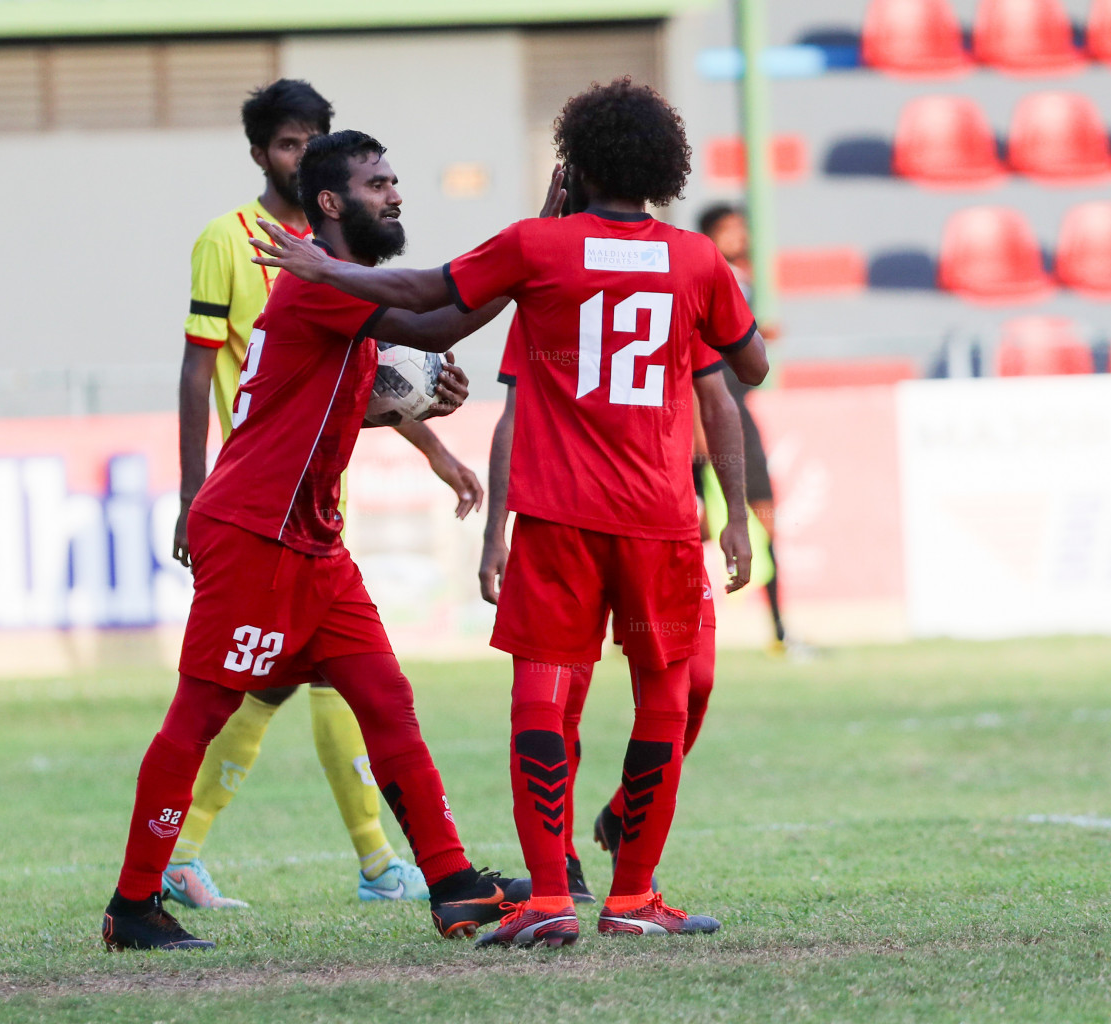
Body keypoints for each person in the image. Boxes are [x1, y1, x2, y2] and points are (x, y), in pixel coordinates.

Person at [248, 78, 769, 948]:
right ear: (664, 168)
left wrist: (323, 265)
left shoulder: (538, 248)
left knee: (541, 693)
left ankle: (551, 899)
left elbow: (424, 295)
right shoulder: (697, 261)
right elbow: (746, 368)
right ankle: (635, 898)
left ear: (576, 161)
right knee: (664, 704)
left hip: (561, 515)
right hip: (659, 513)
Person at [101, 129, 520, 951]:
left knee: (385, 701)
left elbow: (335, 400)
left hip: (312, 537)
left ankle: (452, 885)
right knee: (202, 713)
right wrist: (529, 258)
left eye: (397, 180)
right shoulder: (318, 279)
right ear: (331, 203)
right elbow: (438, 322)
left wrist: (416, 415)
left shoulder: (337, 288)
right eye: (378, 183)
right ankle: (133, 905)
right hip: (257, 532)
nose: (396, 195)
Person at [170, 79, 484, 910]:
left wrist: (431, 438)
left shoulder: (340, 257)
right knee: (267, 690)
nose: (301, 154)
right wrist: (191, 489)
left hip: (311, 492)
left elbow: (358, 376)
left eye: (315, 139)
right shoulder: (234, 244)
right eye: (286, 144)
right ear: (262, 156)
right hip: (254, 500)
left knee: (315, 685)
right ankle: (377, 862)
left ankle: (396, 867)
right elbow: (202, 367)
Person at [481, 323, 743, 906]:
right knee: (559, 697)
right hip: (568, 521)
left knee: (693, 685)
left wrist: (736, 512)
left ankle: (624, 816)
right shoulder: (546, 289)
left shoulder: (677, 277)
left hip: (660, 521)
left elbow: (733, 381)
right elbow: (514, 415)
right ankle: (562, 867)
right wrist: (495, 529)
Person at [696, 203, 789, 651]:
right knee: (688, 526)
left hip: (736, 412)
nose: (739, 236)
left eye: (741, 228)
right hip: (705, 413)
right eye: (728, 229)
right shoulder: (707, 277)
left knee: (766, 515)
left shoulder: (740, 279)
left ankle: (779, 630)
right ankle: (646, 628)